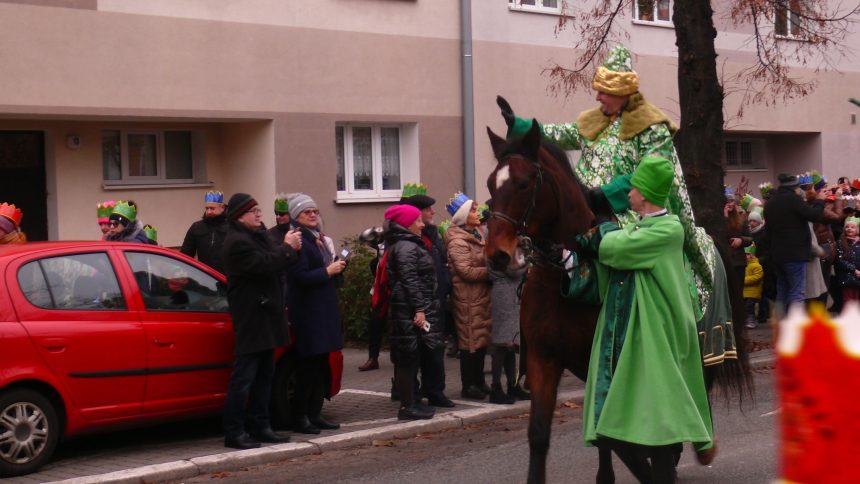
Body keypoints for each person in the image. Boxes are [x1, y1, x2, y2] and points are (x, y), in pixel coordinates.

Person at [502, 44, 718, 324]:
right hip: (584, 204)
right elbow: (558, 133)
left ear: (621, 93)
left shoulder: (651, 126)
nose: (598, 97)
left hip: (626, 210)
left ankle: (639, 315)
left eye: (604, 91)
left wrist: (606, 195)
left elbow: (655, 173)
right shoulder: (595, 121)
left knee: (623, 252)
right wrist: (519, 125)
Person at [582, 156, 714, 482]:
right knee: (638, 422)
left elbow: (614, 248)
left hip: (656, 336)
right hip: (635, 335)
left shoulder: (668, 230)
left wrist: (599, 227)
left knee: (657, 422)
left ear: (646, 193)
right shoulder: (642, 225)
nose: (627, 193)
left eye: (634, 188)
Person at [221, 192, 300, 450]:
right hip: (252, 317)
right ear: (239, 216)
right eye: (252, 211)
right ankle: (234, 432)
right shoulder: (237, 242)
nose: (259, 214)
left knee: (266, 375)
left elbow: (276, 259)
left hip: (268, 315)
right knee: (244, 378)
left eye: (258, 209)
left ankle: (261, 426)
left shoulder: (258, 236)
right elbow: (266, 264)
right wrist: (288, 248)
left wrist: (287, 249)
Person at [286, 193, 345, 434]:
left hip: (323, 309)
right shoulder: (298, 240)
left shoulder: (317, 239)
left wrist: (336, 268)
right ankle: (300, 417)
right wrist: (327, 271)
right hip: (309, 312)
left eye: (314, 211)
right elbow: (298, 277)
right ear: (295, 217)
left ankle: (314, 413)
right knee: (308, 368)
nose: (312, 214)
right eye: (306, 212)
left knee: (321, 366)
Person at [383, 203, 440, 420]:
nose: (422, 224)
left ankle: (412, 403)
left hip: (408, 309)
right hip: (407, 310)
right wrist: (419, 309)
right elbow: (410, 280)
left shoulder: (407, 244)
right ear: (407, 224)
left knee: (412, 356)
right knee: (407, 359)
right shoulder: (406, 247)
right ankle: (407, 407)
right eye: (417, 220)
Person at [399, 183, 454, 408]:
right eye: (429, 209)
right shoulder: (406, 240)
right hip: (416, 305)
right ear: (417, 213)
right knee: (413, 352)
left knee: (435, 350)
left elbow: (440, 264)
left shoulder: (431, 234)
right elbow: (409, 276)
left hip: (435, 302)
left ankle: (435, 391)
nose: (432, 212)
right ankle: (410, 395)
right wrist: (419, 305)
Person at [444, 192, 492, 400]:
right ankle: (469, 385)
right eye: (473, 210)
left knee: (480, 341)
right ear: (463, 216)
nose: (477, 212)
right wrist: (491, 273)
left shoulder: (477, 234)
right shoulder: (457, 241)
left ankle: (479, 381)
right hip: (467, 298)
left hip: (480, 297)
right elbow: (466, 271)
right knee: (470, 341)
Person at [487, 244, 528, 404]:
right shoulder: (497, 246)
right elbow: (513, 270)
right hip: (504, 295)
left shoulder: (510, 243)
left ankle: (513, 384)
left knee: (510, 343)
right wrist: (526, 261)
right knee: (501, 343)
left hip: (513, 293)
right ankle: (495, 388)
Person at [180, 191, 229, 274]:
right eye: (207, 208)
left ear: (222, 208)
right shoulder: (196, 227)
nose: (209, 212)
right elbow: (186, 255)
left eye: (212, 208)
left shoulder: (231, 227)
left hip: (225, 278)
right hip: (204, 278)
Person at [836, 216, 860, 303]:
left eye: (852, 227)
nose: (849, 229)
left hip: (858, 277)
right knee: (848, 300)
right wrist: (854, 270)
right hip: (847, 277)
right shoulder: (841, 242)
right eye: (847, 227)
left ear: (857, 230)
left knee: (856, 300)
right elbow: (840, 260)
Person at [743, 245, 764, 329]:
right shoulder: (745, 265)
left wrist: (744, 280)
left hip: (753, 293)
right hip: (745, 292)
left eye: (746, 254)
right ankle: (748, 320)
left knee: (749, 307)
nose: (745, 256)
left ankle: (752, 321)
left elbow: (757, 277)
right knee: (746, 308)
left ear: (752, 255)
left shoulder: (756, 266)